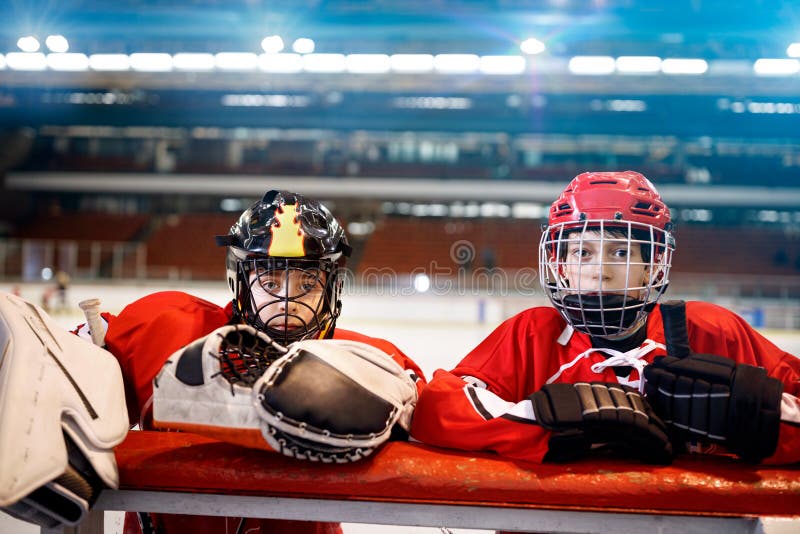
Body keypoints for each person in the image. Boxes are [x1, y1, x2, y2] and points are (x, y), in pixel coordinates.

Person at [71, 190, 427, 534]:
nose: (288, 299)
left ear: (333, 285)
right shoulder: (166, 329)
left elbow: (436, 419)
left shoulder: (370, 364)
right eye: (270, 280)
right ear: (240, 281)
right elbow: (71, 375)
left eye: (308, 281)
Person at [411, 170, 800, 467]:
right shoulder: (533, 334)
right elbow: (437, 407)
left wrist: (751, 423)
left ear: (654, 264)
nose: (599, 270)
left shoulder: (709, 330)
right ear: (560, 265)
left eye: (620, 253)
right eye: (581, 253)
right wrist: (559, 422)